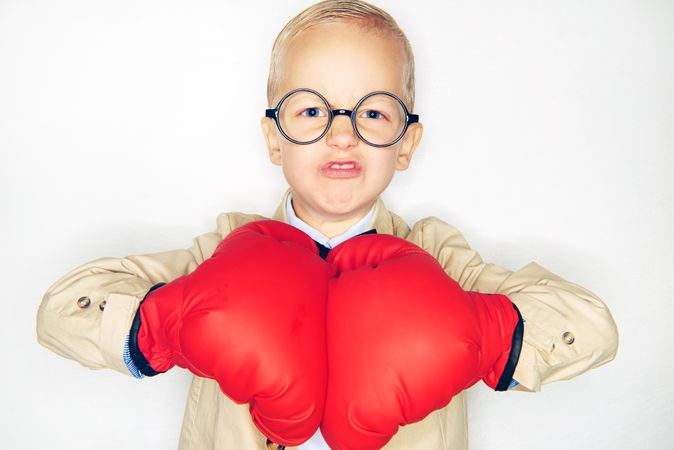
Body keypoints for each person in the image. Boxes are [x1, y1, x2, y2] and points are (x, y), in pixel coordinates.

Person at [35, 1, 619, 449]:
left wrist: (490, 334)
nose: (343, 134)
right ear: (273, 137)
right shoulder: (224, 249)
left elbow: (592, 330)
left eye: (372, 112)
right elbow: (62, 312)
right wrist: (160, 323)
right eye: (312, 110)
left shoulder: (437, 254)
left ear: (407, 142)